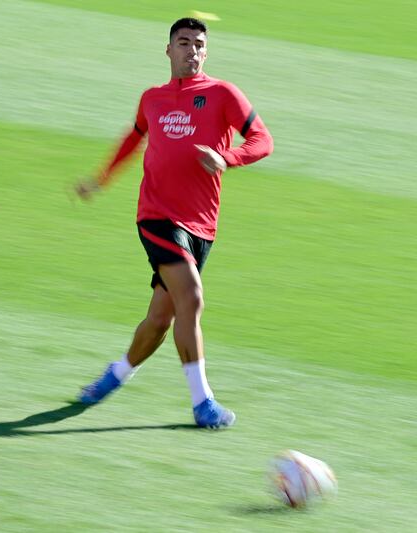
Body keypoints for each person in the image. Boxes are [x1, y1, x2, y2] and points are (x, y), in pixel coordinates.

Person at [73, 17, 273, 428]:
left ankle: (115, 375)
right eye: (184, 43)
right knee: (193, 298)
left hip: (202, 226)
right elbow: (133, 140)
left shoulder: (223, 94)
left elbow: (262, 141)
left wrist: (228, 158)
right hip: (157, 217)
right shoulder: (152, 99)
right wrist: (100, 179)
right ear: (168, 50)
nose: (192, 51)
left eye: (199, 44)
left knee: (161, 318)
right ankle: (203, 403)